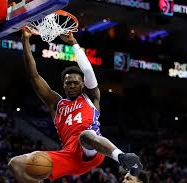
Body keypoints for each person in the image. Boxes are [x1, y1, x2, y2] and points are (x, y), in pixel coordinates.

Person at [8, 30, 143, 183]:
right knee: (15, 164)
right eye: (68, 83)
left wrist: (74, 44)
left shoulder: (91, 96)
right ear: (63, 86)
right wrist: (25, 40)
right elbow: (34, 76)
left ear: (82, 85)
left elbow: (87, 71)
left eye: (76, 82)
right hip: (68, 156)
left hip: (91, 149)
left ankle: (122, 157)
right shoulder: (56, 104)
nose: (72, 85)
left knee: (85, 135)